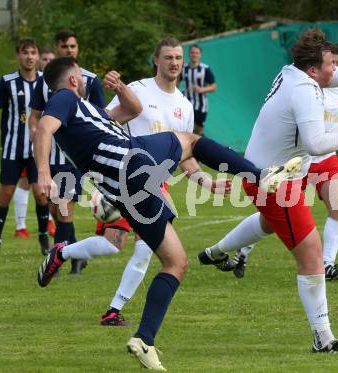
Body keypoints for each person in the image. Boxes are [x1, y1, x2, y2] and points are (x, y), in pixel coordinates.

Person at [34, 56, 297, 370]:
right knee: (191, 140)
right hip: (131, 162)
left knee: (176, 263)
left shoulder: (86, 115)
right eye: (81, 74)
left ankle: (144, 339)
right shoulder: (64, 98)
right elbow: (42, 130)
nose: (86, 79)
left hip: (127, 194)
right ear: (74, 80)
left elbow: (132, 110)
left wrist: (118, 87)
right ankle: (260, 176)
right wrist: (43, 174)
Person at [197, 29, 338, 353]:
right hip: (274, 182)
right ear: (313, 70)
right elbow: (316, 143)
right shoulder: (304, 89)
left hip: (269, 174)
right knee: (312, 256)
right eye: (330, 65)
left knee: (267, 225)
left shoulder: (293, 72)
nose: (336, 70)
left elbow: (328, 78)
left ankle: (216, 252)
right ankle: (324, 339)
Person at [98, 37, 232, 326]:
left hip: (155, 185)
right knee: (132, 246)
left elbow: (185, 154)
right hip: (127, 178)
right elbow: (105, 124)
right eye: (168, 57)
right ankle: (114, 309)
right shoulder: (136, 90)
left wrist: (208, 183)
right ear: (156, 61)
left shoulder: (184, 105)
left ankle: (111, 308)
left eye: (178, 58)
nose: (174, 63)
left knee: (142, 247)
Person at [220, 43, 338, 281]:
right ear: (318, 67)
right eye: (331, 63)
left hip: (325, 158)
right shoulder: (310, 87)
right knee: (272, 218)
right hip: (298, 161)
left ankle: (327, 264)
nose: (335, 68)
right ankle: (242, 249)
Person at [29, 30, 106, 274]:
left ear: (78, 48)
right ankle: (76, 255)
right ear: (57, 48)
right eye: (64, 46)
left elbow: (102, 118)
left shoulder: (90, 80)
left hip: (73, 157)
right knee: (54, 206)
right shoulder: (45, 80)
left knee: (64, 206)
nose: (69, 50)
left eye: (73, 46)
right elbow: (34, 116)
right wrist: (37, 134)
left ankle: (59, 262)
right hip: (49, 153)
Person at [0, 38, 50, 257]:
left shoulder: (46, 82)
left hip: (37, 150)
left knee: (41, 194)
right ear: (18, 55)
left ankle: (44, 238)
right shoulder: (7, 82)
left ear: (37, 56)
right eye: (25, 52)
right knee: (5, 194)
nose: (29, 57)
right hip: (12, 149)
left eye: (33, 52)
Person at [13, 46, 56, 240]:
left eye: (50, 60)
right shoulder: (34, 83)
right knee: (27, 182)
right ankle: (21, 226)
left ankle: (49, 221)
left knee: (48, 185)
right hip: (24, 143)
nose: (47, 62)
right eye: (44, 59)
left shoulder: (57, 82)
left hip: (53, 143)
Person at [181, 44, 216, 135]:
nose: (194, 55)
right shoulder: (184, 68)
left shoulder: (205, 69)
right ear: (189, 54)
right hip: (186, 103)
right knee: (186, 128)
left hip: (201, 105)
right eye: (192, 52)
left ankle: (197, 147)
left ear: (200, 55)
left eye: (197, 53)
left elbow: (213, 86)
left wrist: (202, 90)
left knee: (199, 131)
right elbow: (176, 81)